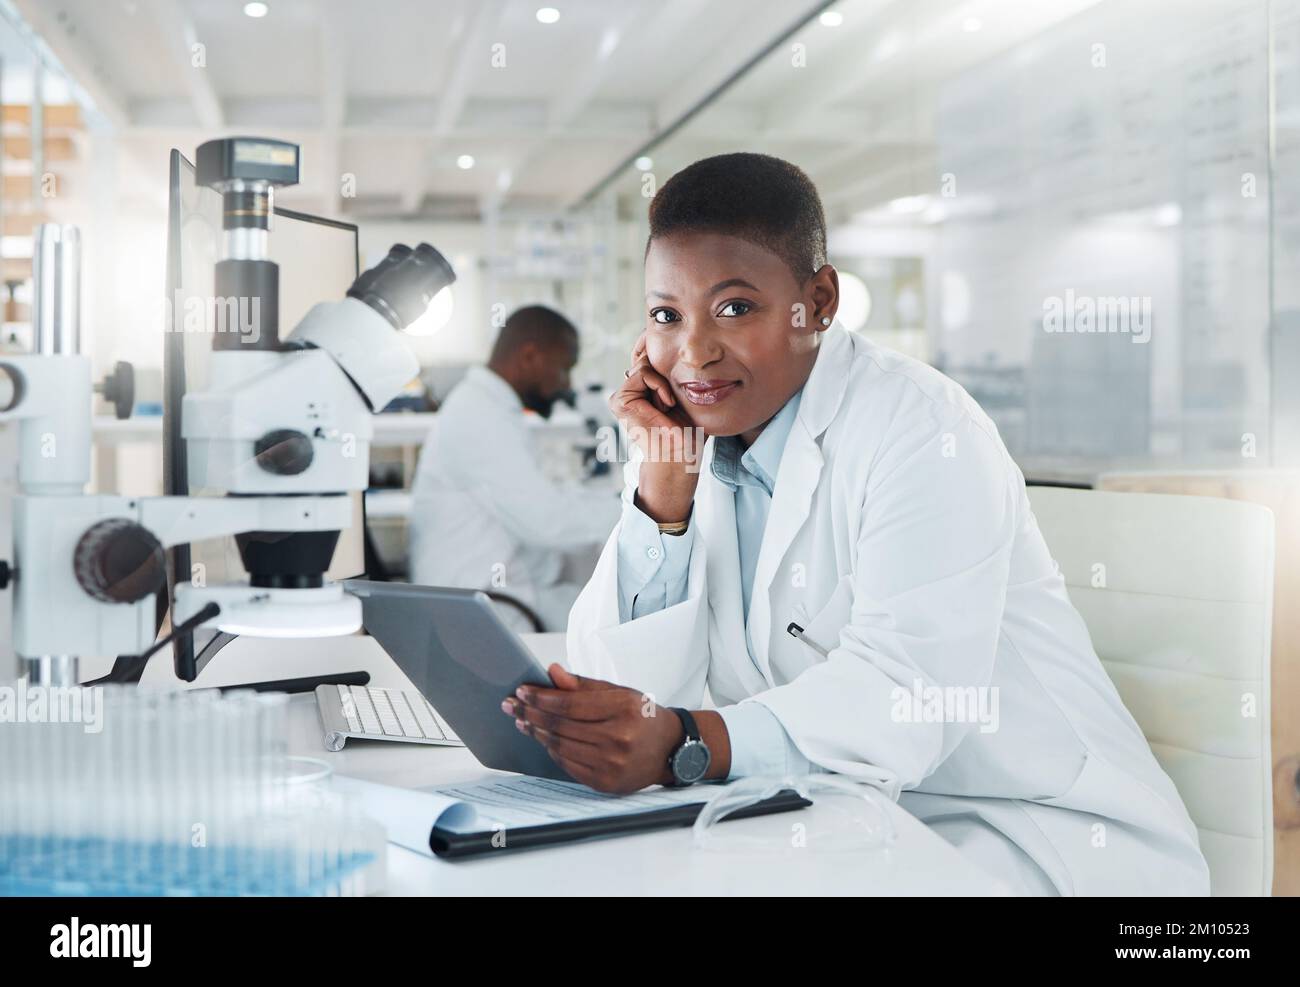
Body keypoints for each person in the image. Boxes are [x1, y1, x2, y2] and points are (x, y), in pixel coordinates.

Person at [500, 152, 1211, 896]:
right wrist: (662, 498)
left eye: (735, 308)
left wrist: (687, 741)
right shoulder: (689, 450)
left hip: (1030, 832)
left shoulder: (922, 427)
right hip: (833, 820)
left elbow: (907, 695)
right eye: (665, 315)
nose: (694, 352)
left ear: (820, 299)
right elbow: (626, 700)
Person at [410, 305, 619, 631]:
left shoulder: (487, 407)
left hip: (494, 594)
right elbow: (547, 522)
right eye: (564, 368)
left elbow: (540, 505)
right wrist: (639, 511)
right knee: (621, 617)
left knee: (604, 599)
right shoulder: (480, 416)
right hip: (487, 609)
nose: (566, 383)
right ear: (530, 356)